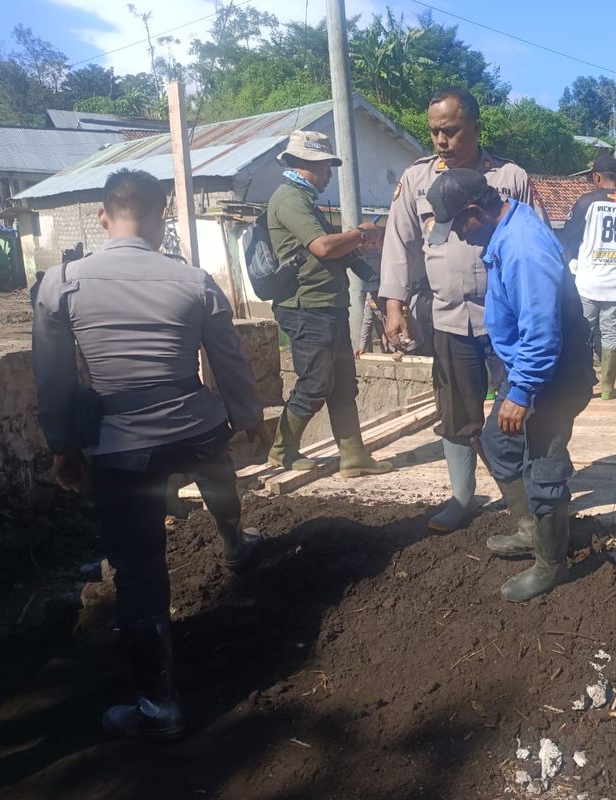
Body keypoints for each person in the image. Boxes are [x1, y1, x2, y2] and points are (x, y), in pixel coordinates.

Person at [32, 169, 267, 740]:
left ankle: (158, 706)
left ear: (104, 218)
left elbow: (54, 378)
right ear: (163, 217)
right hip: (195, 426)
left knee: (138, 571)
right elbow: (229, 359)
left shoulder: (61, 283)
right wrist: (248, 417)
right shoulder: (195, 280)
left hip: (123, 446)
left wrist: (62, 447)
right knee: (215, 464)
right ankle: (235, 541)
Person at [426, 168, 594, 601]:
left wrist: (521, 392)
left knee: (544, 470)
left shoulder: (522, 248)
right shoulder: (507, 226)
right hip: (528, 369)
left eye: (459, 227)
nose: (460, 237)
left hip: (551, 377)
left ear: (473, 212)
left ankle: (550, 564)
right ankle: (532, 531)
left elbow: (542, 332)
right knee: (499, 445)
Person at [380, 88, 542, 533]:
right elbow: (399, 245)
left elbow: (534, 240)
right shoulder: (416, 180)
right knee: (454, 414)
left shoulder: (511, 176)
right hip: (449, 317)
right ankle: (462, 499)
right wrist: (394, 306)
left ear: (474, 127)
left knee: (518, 408)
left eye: (450, 131)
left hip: (505, 321)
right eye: (433, 132)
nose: (440, 141)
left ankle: (525, 501)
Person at [265, 130, 392, 478]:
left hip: (327, 305)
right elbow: (322, 247)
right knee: (316, 382)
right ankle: (282, 449)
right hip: (306, 306)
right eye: (325, 168)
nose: (329, 175)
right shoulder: (289, 198)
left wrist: (353, 246)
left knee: (342, 383)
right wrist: (360, 234)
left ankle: (353, 454)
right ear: (307, 164)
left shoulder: (304, 199)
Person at [560, 153, 616, 399]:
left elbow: (568, 238)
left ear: (595, 176)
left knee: (582, 330)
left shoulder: (586, 202)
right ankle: (608, 388)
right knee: (611, 333)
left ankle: (582, 382)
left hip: (588, 281)